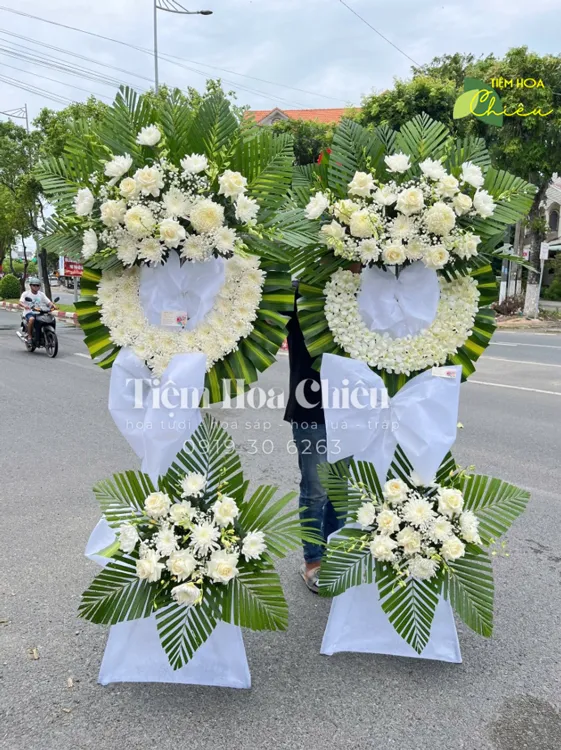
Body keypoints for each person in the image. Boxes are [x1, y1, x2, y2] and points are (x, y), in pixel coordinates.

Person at [284, 286, 342, 594]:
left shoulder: (363, 294)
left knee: (341, 491)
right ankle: (313, 561)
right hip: (311, 408)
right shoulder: (301, 295)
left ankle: (335, 556)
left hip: (351, 411)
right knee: (316, 489)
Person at [18, 277, 55, 343]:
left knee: (50, 318)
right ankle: (29, 336)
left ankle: (48, 334)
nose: (36, 287)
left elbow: (48, 302)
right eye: (34, 285)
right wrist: (25, 306)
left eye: (37, 285)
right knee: (32, 319)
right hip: (29, 312)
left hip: (40, 312)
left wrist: (53, 305)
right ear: (30, 286)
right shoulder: (26, 294)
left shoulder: (41, 294)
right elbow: (20, 302)